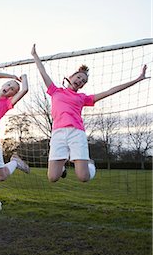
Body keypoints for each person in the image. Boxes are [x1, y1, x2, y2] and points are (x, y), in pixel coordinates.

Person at [31, 44, 149, 182]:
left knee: (83, 177)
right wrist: (34, 55)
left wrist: (137, 79)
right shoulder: (55, 91)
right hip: (58, 133)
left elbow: (109, 91)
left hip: (76, 133)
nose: (80, 81)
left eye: (83, 81)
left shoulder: (83, 98)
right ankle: (63, 161)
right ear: (71, 76)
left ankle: (90, 164)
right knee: (52, 178)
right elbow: (42, 72)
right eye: (79, 77)